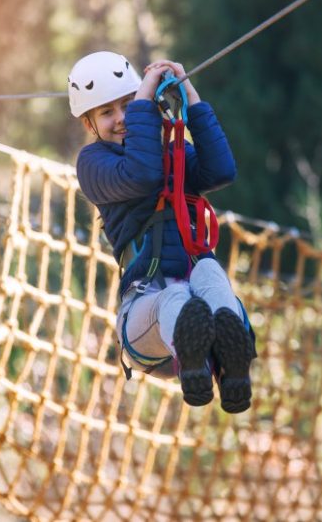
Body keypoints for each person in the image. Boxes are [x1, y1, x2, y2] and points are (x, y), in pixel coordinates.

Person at [69, 51, 255, 413]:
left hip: (200, 290)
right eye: (108, 112)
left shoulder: (171, 152)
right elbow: (141, 174)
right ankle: (194, 359)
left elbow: (220, 171)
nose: (122, 118)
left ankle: (232, 367)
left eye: (128, 105)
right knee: (175, 300)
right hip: (147, 308)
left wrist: (191, 97)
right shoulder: (93, 164)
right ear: (89, 124)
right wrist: (142, 103)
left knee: (210, 270)